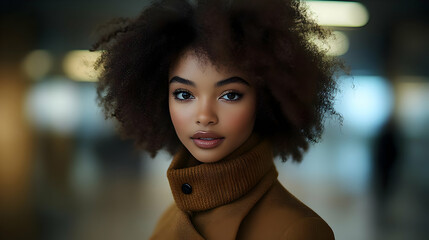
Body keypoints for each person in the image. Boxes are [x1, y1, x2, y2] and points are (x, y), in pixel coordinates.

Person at [92, 0, 343, 239]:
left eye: (230, 95)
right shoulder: (170, 217)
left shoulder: (299, 231)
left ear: (266, 100)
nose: (204, 116)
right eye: (184, 94)